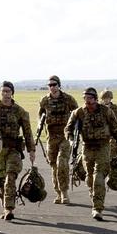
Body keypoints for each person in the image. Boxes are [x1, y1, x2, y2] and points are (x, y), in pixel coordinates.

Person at [65, 87, 117, 221]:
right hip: (87, 148)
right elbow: (68, 128)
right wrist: (71, 140)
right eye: (85, 99)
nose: (87, 102)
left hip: (103, 147)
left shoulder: (106, 111)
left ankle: (97, 208)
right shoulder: (78, 112)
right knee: (90, 179)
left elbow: (116, 129)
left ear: (96, 99)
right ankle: (94, 196)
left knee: (98, 177)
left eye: (90, 99)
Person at [0, 81, 35, 221]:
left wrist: (31, 150)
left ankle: (9, 208)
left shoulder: (20, 111)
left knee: (10, 177)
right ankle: (5, 206)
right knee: (1, 181)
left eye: (8, 91)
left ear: (12, 93)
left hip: (14, 150)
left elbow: (28, 132)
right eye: (3, 91)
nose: (5, 94)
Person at [38, 75, 78, 204]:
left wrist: (75, 133)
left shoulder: (68, 99)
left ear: (59, 85)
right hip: (51, 137)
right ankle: (58, 193)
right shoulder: (44, 100)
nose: (52, 87)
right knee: (54, 166)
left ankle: (64, 192)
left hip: (65, 136)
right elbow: (41, 116)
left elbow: (77, 114)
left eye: (54, 84)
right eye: (50, 85)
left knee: (62, 163)